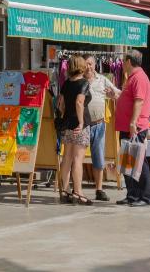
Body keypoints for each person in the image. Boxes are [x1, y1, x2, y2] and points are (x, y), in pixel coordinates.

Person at [109, 50, 150, 207]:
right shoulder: (132, 78)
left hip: (135, 126)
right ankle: (132, 194)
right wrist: (116, 96)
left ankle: (145, 197)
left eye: (123, 61)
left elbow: (139, 101)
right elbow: (129, 99)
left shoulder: (139, 78)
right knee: (128, 162)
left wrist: (133, 122)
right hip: (127, 126)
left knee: (139, 162)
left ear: (128, 62)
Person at [83, 54, 121, 201]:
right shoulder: (78, 80)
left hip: (99, 124)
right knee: (77, 157)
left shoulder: (102, 80)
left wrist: (113, 95)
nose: (88, 67)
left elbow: (117, 94)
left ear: (95, 65)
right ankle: (76, 188)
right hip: (83, 125)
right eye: (86, 64)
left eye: (91, 64)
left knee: (98, 157)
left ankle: (99, 189)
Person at [57, 55, 93, 205]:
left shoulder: (66, 83)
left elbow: (61, 104)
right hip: (79, 126)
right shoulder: (83, 83)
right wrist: (81, 121)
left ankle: (64, 191)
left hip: (67, 124)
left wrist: (67, 116)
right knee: (78, 159)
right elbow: (80, 102)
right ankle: (78, 192)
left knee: (67, 158)